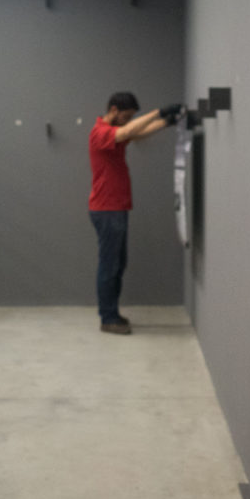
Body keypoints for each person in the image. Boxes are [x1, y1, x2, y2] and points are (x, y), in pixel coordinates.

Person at [88, 92, 183, 335]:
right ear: (113, 110)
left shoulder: (115, 134)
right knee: (109, 266)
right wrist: (160, 112)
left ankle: (111, 314)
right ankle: (107, 318)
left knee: (118, 265)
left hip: (116, 208)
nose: (128, 121)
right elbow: (126, 132)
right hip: (107, 210)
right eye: (126, 116)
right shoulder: (100, 133)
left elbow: (137, 132)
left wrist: (168, 122)